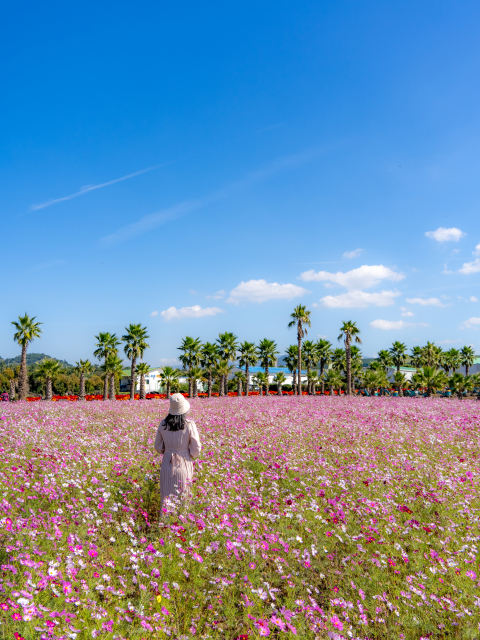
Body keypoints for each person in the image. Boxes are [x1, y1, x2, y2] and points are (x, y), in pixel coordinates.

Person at [154, 393, 202, 514]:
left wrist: (168, 451)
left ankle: (165, 526)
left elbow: (158, 447)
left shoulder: (163, 424)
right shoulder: (189, 424)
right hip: (183, 463)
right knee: (183, 499)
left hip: (166, 465)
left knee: (166, 500)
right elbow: (196, 449)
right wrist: (189, 454)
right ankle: (180, 527)